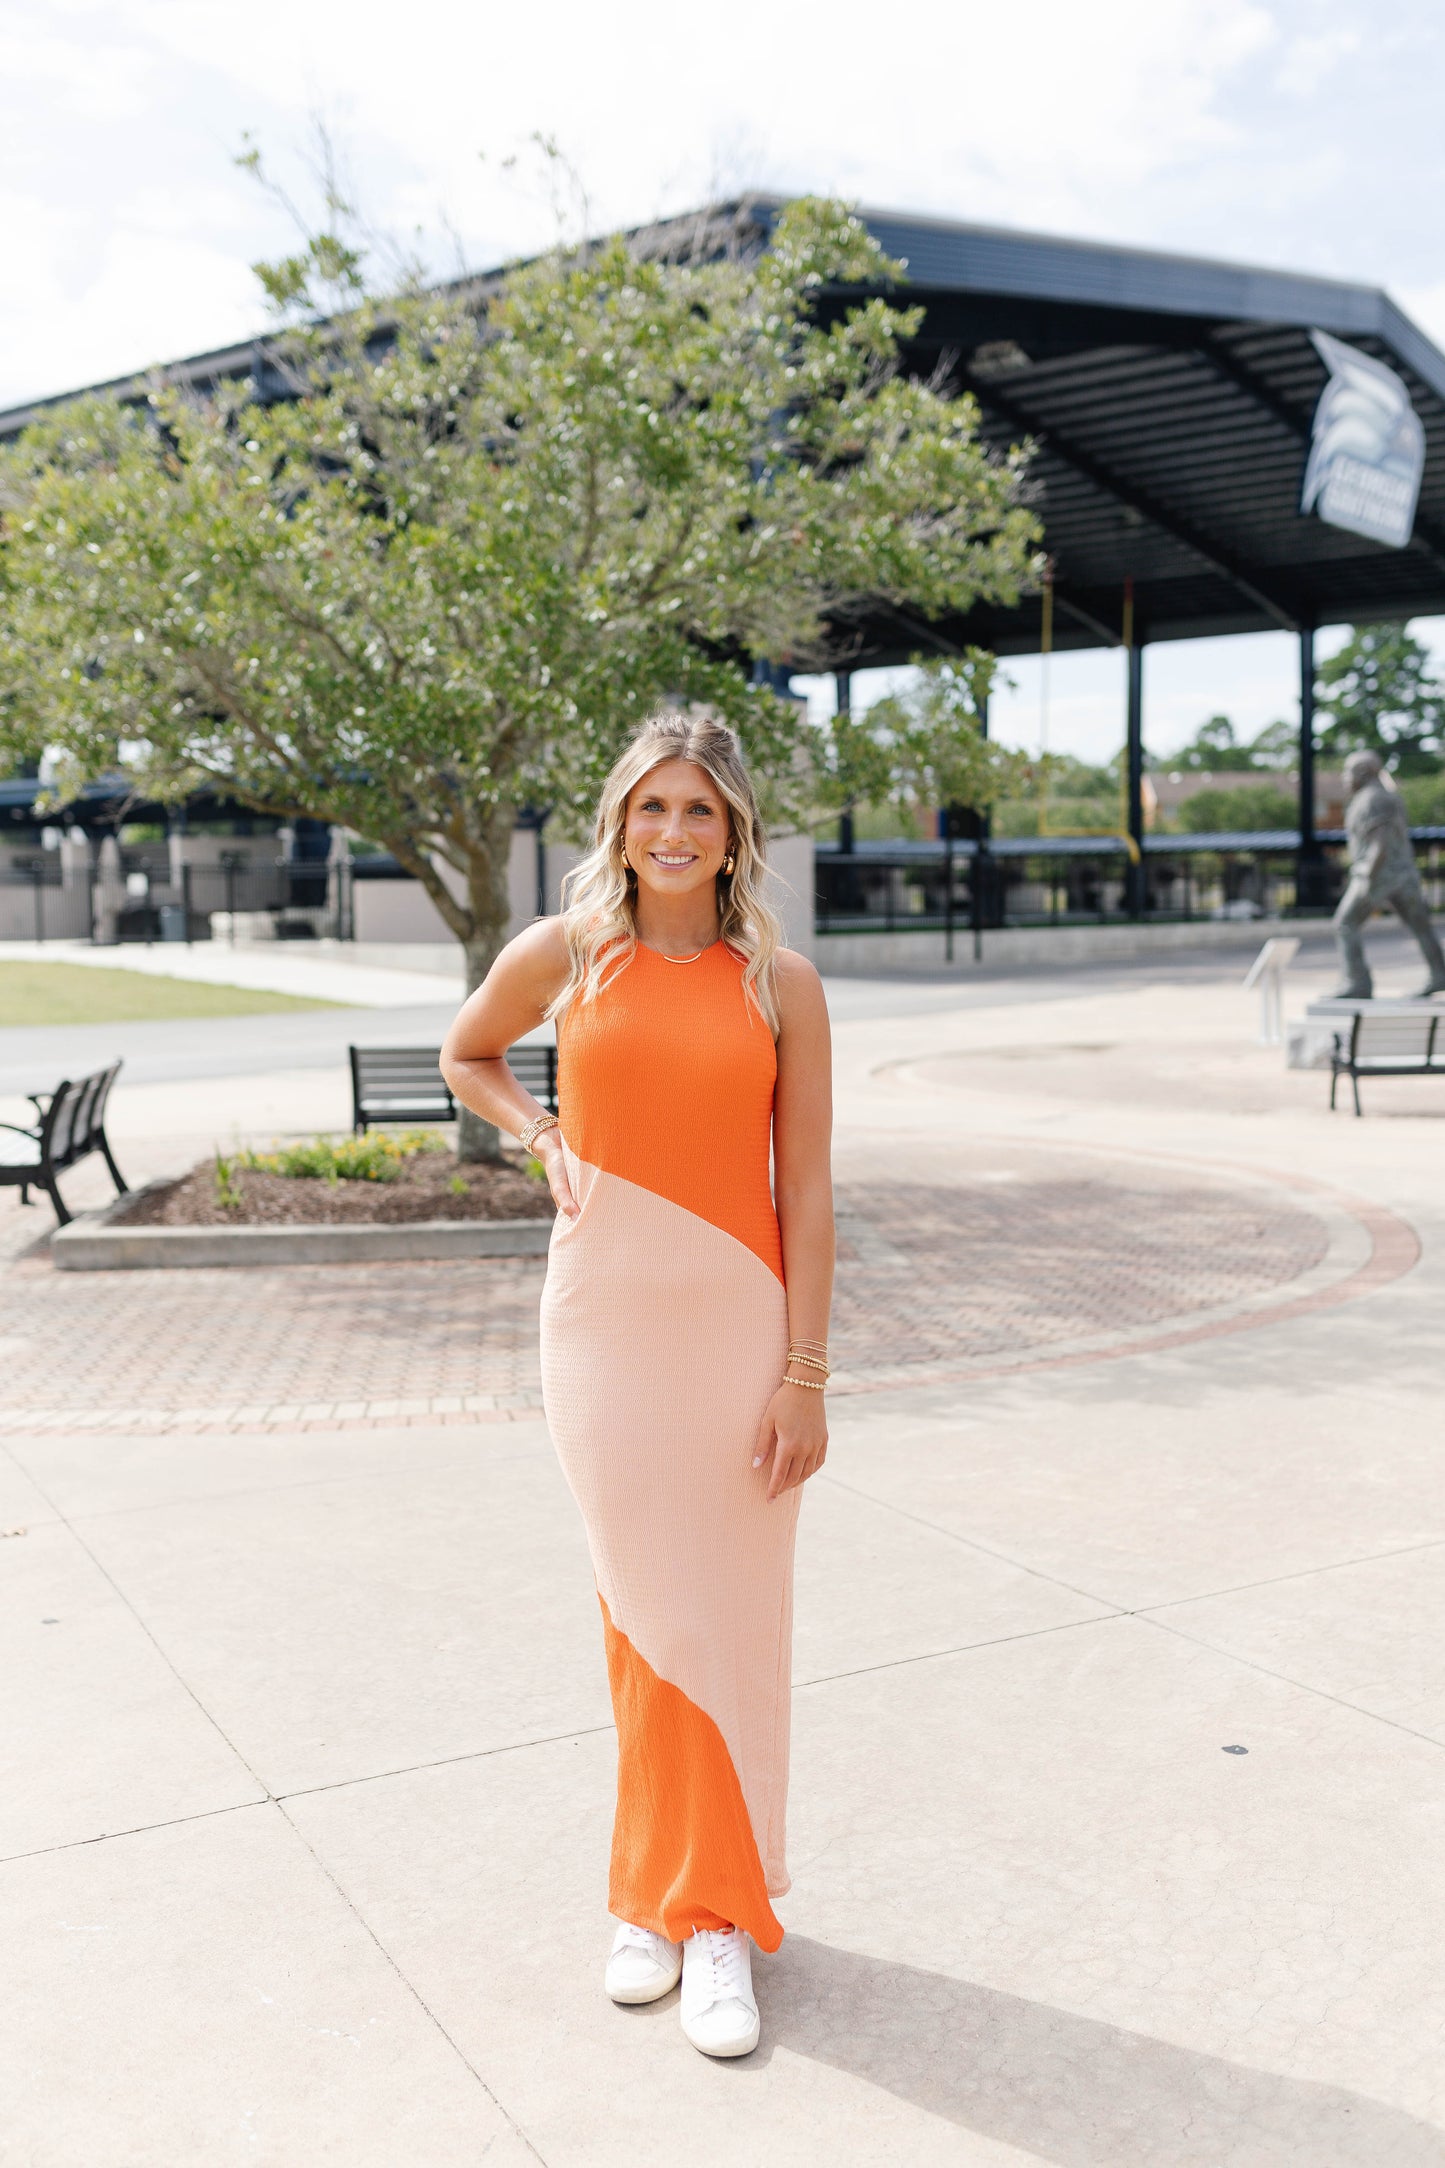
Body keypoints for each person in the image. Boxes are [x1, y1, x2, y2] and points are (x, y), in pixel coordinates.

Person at [440, 712, 835, 2059]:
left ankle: (721, 1915)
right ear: (617, 821)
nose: (672, 831)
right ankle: (645, 1900)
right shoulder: (564, 955)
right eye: (650, 807)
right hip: (602, 1324)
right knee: (641, 1613)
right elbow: (467, 1053)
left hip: (740, 1331)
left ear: (734, 836)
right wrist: (538, 1131)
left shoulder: (780, 983)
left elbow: (812, 1188)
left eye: (699, 811)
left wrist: (807, 1374)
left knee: (730, 1622)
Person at [1330, 748, 1445, 999]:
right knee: (1420, 925)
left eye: (1348, 771)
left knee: (1345, 923)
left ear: (1363, 772)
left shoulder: (1372, 799)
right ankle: (1439, 974)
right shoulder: (1387, 796)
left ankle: (1357, 982)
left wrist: (1366, 878)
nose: (1344, 777)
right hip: (1403, 873)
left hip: (1379, 874)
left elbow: (1379, 844)